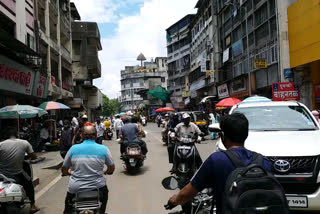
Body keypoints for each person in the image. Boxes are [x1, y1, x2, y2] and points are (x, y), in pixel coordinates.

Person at [167, 113, 272, 214]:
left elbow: (187, 193)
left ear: (222, 136)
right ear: (246, 135)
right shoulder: (264, 161)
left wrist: (174, 201)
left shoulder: (216, 160)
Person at [62, 125, 115, 214]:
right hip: (98, 187)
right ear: (96, 135)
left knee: (67, 207)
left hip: (75, 188)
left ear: (81, 135)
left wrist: (69, 173)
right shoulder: (103, 149)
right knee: (105, 196)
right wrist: (106, 172)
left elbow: (64, 169)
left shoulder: (73, 149)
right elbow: (111, 168)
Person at [0, 127, 40, 214]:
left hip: (2, 175)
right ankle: (32, 206)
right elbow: (34, 156)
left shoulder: (1, 144)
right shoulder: (24, 143)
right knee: (29, 183)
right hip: (17, 173)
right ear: (16, 135)